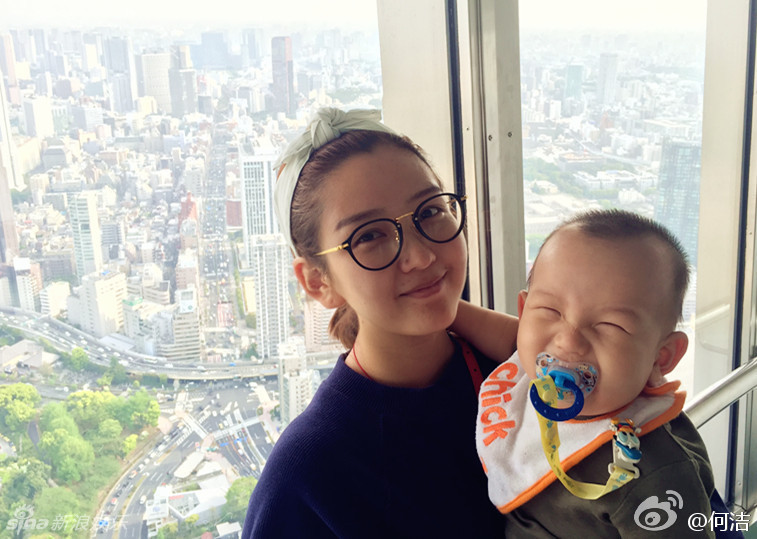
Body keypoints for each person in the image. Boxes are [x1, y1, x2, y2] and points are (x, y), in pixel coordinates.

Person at [241, 107, 518, 538]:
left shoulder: (516, 373)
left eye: (430, 211)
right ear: (317, 281)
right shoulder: (309, 475)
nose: (421, 256)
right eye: (369, 235)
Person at [453, 209, 723, 538]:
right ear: (524, 313)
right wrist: (449, 312)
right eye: (550, 310)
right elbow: (507, 339)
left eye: (611, 325)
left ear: (662, 356)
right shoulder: (534, 363)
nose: (568, 341)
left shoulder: (658, 475)